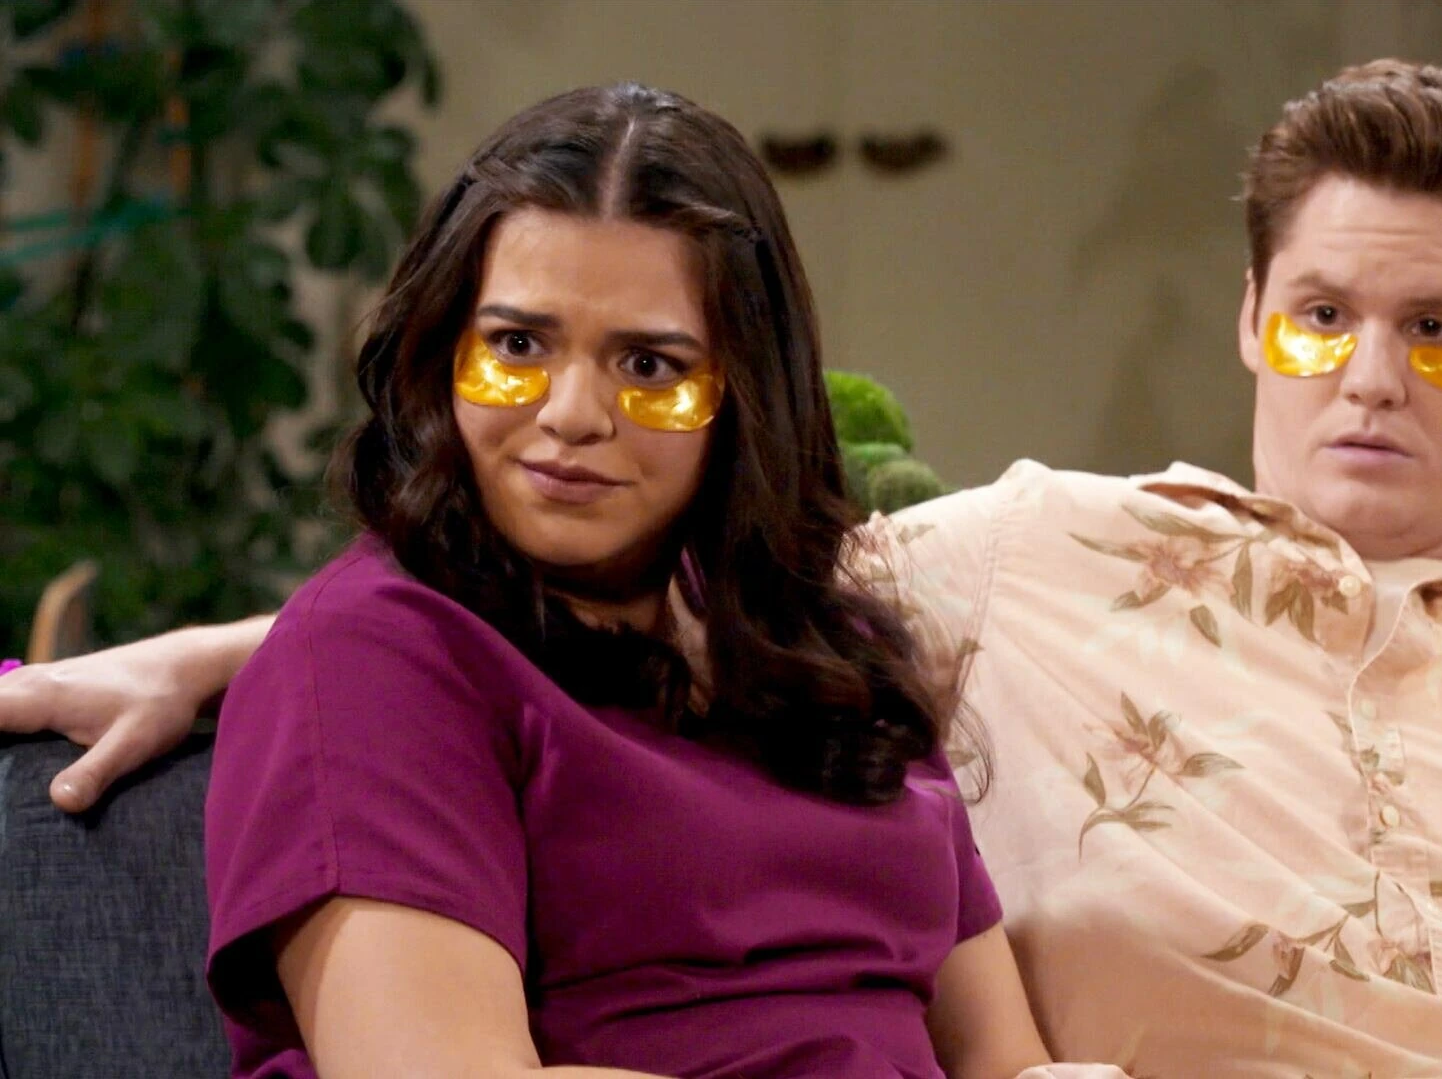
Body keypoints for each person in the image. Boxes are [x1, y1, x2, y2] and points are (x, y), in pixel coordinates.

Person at [4, 61, 1442, 1078]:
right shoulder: (1019, 556)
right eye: (1323, 317)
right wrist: (223, 651)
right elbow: (598, 566)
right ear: (1251, 319)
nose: (1373, 379)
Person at [135, 82, 1108, 1079]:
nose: (571, 414)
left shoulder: (828, 649)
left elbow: (1002, 1059)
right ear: (440, 352)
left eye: (649, 365)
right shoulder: (372, 656)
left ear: (747, 394)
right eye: (517, 345)